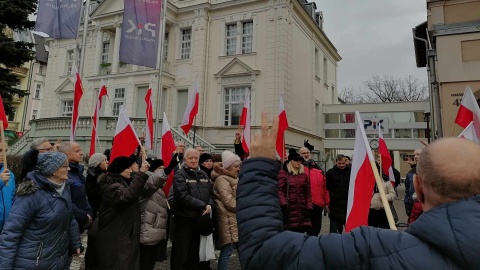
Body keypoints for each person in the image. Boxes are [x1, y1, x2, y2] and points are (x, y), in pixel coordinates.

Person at [237, 114, 480, 269]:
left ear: (417, 186)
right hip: (328, 211)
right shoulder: (328, 173)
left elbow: (264, 253)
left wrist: (258, 164)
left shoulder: (376, 250)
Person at [0, 152, 82, 269]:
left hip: (58, 258)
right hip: (34, 262)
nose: (68, 168)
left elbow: (69, 217)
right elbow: (11, 233)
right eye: (64, 166)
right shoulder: (30, 194)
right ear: (53, 170)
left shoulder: (64, 188)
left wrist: (75, 242)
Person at [95, 156, 151, 270]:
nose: (131, 171)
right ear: (120, 169)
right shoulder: (113, 187)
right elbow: (129, 196)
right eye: (128, 168)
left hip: (124, 236)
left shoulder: (123, 183)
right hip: (116, 238)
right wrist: (141, 173)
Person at [171, 148, 214, 270]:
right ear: (185, 159)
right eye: (191, 158)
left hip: (199, 219)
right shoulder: (180, 174)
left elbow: (211, 194)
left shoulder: (204, 174)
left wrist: (210, 205)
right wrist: (203, 205)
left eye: (196, 158)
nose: (194, 160)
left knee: (196, 252)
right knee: (182, 252)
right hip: (185, 219)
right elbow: (182, 196)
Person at [139, 158, 178, 270]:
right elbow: (154, 181)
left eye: (163, 168)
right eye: (159, 169)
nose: (163, 171)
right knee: (145, 263)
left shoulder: (158, 188)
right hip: (147, 232)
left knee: (150, 263)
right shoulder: (147, 182)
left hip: (154, 232)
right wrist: (168, 168)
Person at [211, 150, 241, 270]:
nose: (238, 169)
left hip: (233, 219)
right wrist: (243, 208)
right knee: (227, 251)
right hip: (227, 219)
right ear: (228, 167)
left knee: (240, 249)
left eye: (239, 166)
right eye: (235, 166)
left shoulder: (232, 178)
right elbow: (228, 201)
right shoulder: (222, 179)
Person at [60, 142, 93, 233]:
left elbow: (83, 196)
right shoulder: (63, 174)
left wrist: (89, 211)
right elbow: (66, 201)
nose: (81, 153)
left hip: (79, 223)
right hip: (70, 224)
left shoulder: (78, 171)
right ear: (67, 154)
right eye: (77, 151)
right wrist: (83, 216)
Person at [278, 152, 312, 234]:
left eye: (300, 160)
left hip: (302, 210)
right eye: (296, 160)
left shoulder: (304, 175)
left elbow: (308, 192)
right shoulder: (284, 173)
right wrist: (284, 205)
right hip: (289, 209)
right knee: (289, 233)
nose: (298, 162)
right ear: (291, 161)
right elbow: (279, 190)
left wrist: (309, 207)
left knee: (300, 233)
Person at [84, 153, 108, 269]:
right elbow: (94, 196)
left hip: (100, 215)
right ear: (98, 163)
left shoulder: (101, 176)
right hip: (95, 215)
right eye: (104, 160)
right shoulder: (92, 178)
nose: (107, 162)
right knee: (93, 245)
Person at [298, 146, 329, 236]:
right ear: (299, 155)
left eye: (307, 153)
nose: (306, 155)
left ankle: (312, 246)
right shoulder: (296, 167)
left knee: (315, 229)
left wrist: (327, 203)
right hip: (302, 204)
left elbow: (325, 187)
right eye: (303, 153)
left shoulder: (318, 169)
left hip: (317, 204)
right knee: (301, 229)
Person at [325, 154, 351, 233]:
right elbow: (326, 188)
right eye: (339, 163)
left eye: (343, 163)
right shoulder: (330, 173)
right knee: (333, 229)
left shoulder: (351, 172)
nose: (341, 165)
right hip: (334, 204)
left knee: (349, 229)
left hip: (347, 204)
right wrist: (327, 203)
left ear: (346, 162)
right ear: (336, 162)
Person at [0, 141, 14, 233]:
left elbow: (12, 197)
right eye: (0, 150)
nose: (3, 154)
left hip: (5, 228)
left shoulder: (10, 174)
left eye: (5, 150)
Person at [404, 148, 422, 222]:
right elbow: (407, 188)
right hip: (411, 203)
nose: (415, 156)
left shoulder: (429, 169)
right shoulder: (412, 172)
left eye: (418, 154)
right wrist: (407, 201)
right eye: (414, 154)